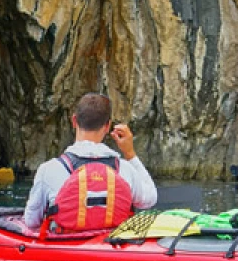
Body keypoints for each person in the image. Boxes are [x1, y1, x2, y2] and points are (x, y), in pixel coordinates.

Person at [23, 93, 158, 230]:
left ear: (74, 121)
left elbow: (31, 221)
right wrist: (130, 153)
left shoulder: (49, 169)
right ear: (107, 126)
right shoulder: (124, 169)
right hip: (111, 246)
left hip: (66, 246)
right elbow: (150, 199)